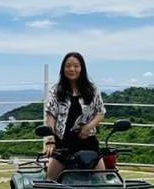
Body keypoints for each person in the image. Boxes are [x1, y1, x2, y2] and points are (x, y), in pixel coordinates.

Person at [41, 52, 107, 181]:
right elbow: (50, 115)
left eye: (76, 66)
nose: (72, 69)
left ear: (82, 68)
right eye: (68, 66)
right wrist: (50, 139)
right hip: (63, 144)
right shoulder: (56, 91)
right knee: (51, 181)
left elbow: (100, 112)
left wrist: (89, 127)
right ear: (63, 68)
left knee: (102, 180)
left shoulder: (92, 90)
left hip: (88, 143)